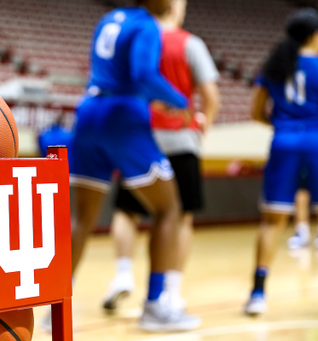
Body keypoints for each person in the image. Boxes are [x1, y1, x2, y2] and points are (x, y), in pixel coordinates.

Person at [66, 0, 201, 331]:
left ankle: (53, 306)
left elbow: (114, 71)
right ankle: (155, 308)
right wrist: (180, 103)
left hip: (88, 113)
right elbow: (144, 75)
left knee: (81, 218)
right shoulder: (147, 26)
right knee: (169, 209)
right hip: (123, 117)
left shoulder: (110, 18)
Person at [102, 0, 220, 319]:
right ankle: (169, 292)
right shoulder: (189, 43)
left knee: (127, 211)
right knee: (178, 216)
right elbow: (210, 96)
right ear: (172, 6)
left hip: (139, 136)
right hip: (181, 141)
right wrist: (201, 125)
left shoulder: (130, 32)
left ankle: (122, 274)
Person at [244, 8, 318, 315]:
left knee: (272, 221)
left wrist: (284, 126)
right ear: (316, 35)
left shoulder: (272, 67)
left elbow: (256, 112)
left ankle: (257, 293)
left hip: (283, 143)